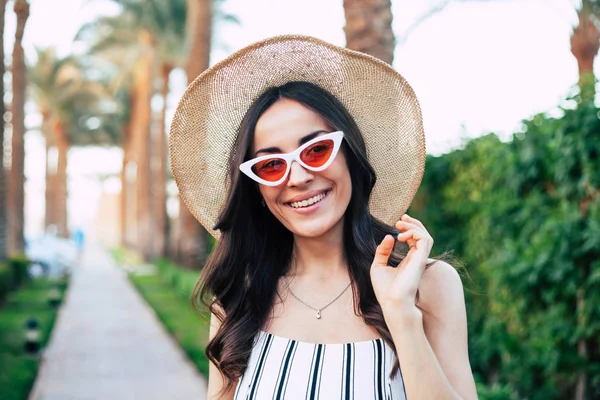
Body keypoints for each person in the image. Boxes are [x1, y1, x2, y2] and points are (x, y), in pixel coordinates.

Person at [169, 35, 477, 400]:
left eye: (316, 150)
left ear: (350, 155)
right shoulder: (238, 301)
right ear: (257, 190)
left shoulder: (429, 285)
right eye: (271, 165)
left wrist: (401, 313)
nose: (298, 178)